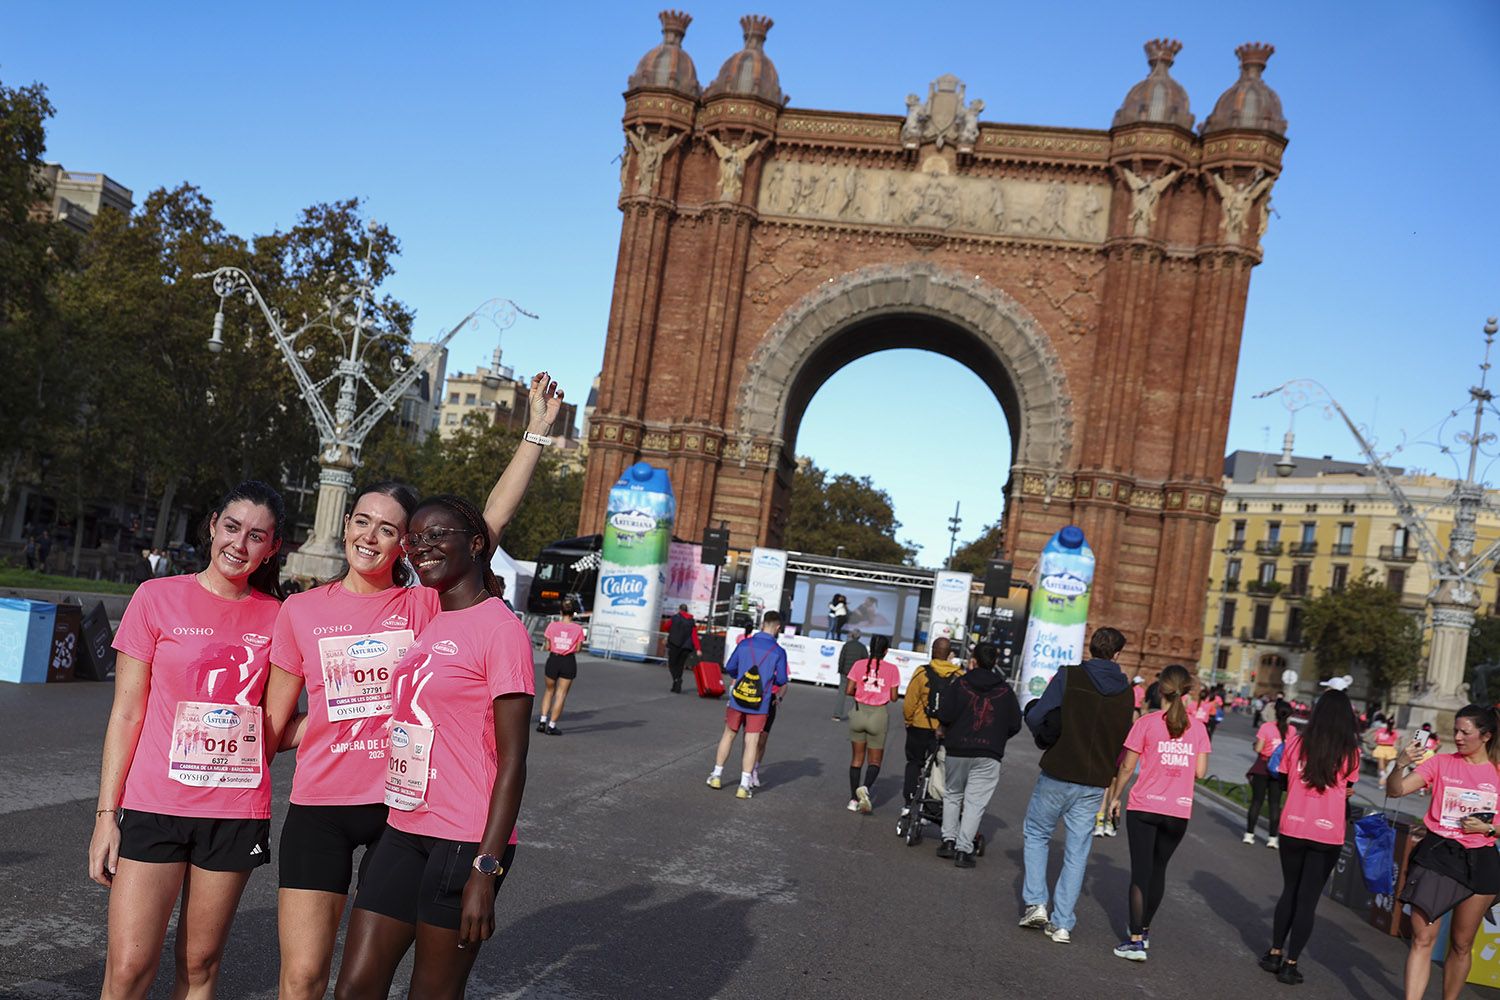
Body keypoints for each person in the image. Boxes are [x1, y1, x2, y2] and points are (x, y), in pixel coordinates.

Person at [89, 481, 286, 999]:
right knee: (129, 967)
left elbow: (280, 719)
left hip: (235, 812)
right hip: (156, 804)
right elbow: (127, 714)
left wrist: (357, 721)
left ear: (273, 548)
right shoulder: (156, 597)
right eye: (232, 527)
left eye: (257, 536)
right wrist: (107, 816)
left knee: (199, 964)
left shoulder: (280, 617)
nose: (240, 545)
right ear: (213, 525)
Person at [334, 494, 534, 1000]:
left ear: (474, 544)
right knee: (355, 987)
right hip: (403, 827)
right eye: (415, 538)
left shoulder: (501, 629)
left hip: (465, 840)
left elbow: (513, 760)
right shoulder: (433, 619)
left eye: (436, 535)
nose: (421, 547)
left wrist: (485, 871)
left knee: (432, 994)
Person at [1018, 626, 1134, 944]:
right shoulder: (1127, 692)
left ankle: (1036, 903)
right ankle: (1063, 922)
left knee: (1037, 833)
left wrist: (1041, 728)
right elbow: (1124, 737)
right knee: (1077, 850)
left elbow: (1039, 713)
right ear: (1118, 654)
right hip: (1096, 778)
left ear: (1091, 648)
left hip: (1059, 768)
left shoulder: (1070, 675)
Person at [1389, 705, 1500, 1000]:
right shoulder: (1440, 762)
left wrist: (1488, 829)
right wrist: (1399, 765)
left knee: (1462, 944)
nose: (1458, 738)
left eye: (1466, 732)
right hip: (1438, 856)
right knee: (1422, 938)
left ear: (1486, 735)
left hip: (1480, 861)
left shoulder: (1497, 771)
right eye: (1456, 731)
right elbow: (1396, 791)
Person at [1103, 664, 1211, 961]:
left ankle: (1135, 941)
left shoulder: (1147, 723)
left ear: (1160, 689)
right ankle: (1146, 931)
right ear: (1186, 691)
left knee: (1141, 872)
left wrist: (1115, 797)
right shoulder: (1199, 727)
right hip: (1178, 811)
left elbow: (1126, 766)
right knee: (1159, 870)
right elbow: (1201, 771)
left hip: (1144, 806)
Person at [1258, 688, 1361, 986]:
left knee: (1290, 890)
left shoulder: (1297, 742)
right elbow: (1349, 783)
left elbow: (1283, 776)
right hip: (1327, 831)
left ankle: (1274, 952)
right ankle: (1291, 964)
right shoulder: (1350, 751)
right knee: (1308, 899)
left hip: (1294, 825)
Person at [935, 642, 1022, 866]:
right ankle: (964, 850)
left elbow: (944, 713)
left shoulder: (961, 683)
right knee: (975, 802)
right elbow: (1014, 723)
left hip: (958, 747)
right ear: (995, 662)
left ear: (973, 659)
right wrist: (997, 737)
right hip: (988, 752)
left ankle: (948, 840)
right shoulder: (1004, 690)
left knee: (953, 794)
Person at [705, 611, 789, 800]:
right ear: (777, 628)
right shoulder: (778, 652)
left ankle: (717, 775)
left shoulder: (744, 644)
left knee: (729, 734)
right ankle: (744, 785)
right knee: (752, 741)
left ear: (762, 624)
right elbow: (782, 679)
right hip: (760, 702)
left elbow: (730, 667)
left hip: (738, 698)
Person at [900, 636, 964, 830]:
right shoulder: (959, 676)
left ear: (933, 651)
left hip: (920, 726)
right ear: (949, 654)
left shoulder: (922, 672)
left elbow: (910, 702)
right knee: (938, 770)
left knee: (914, 763)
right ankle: (931, 808)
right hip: (944, 731)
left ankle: (908, 803)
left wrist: (909, 721)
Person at [846, 634, 901, 814]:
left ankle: (853, 800)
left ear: (870, 648)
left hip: (859, 711)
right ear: (886, 651)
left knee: (856, 759)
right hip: (878, 714)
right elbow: (893, 698)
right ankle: (865, 789)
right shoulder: (892, 669)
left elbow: (848, 690)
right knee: (875, 761)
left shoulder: (858, 665)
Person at [1244, 698, 1292, 847]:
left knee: (1256, 802)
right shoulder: (1292, 731)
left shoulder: (1266, 727)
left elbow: (1259, 748)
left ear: (1275, 712)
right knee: (1275, 804)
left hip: (1263, 767)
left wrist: (1257, 747)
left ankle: (1249, 834)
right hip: (1279, 770)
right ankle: (1272, 838)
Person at [538, 599, 584, 735]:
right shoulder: (578, 629)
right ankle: (551, 726)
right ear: (573, 613)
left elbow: (547, 646)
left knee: (548, 691)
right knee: (561, 694)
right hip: (568, 661)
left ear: (561, 611)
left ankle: (542, 721)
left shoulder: (552, 626)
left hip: (553, 659)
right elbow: (578, 648)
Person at [831, 627, 866, 722]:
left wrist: (840, 670)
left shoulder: (846, 645)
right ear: (859, 637)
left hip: (845, 672)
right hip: (857, 674)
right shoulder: (862, 647)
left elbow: (841, 659)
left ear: (852, 635)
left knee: (841, 694)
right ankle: (858, 715)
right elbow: (865, 661)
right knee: (858, 695)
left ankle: (837, 715)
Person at [665, 603, 701, 694]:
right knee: (680, 665)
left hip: (674, 644)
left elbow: (666, 627)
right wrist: (698, 648)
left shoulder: (674, 618)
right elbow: (694, 636)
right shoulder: (691, 621)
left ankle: (677, 680)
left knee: (672, 664)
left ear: (679, 609)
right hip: (686, 646)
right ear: (687, 610)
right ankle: (676, 685)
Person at [1372, 717, 1400, 782]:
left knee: (1381, 765)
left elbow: (1375, 739)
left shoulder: (1380, 730)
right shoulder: (1394, 732)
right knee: (1386, 765)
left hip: (1381, 747)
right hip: (1390, 749)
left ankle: (1383, 777)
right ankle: (1384, 778)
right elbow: (1397, 742)